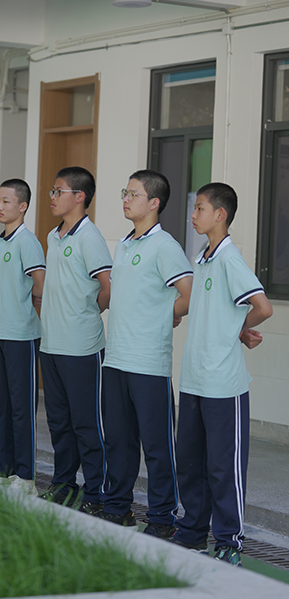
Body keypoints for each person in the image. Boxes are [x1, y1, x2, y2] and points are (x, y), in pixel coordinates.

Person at [174, 182, 273, 566]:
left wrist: (238, 327)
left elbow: (263, 306)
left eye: (199, 208)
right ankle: (192, 532)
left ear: (220, 214)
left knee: (222, 467)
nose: (193, 215)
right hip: (194, 379)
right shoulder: (202, 258)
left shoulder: (230, 258)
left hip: (222, 384)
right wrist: (237, 327)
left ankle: (229, 541)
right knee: (191, 462)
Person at [99, 169, 193, 536]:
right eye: (124, 192)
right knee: (118, 442)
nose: (125, 199)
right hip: (116, 359)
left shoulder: (165, 246)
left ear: (154, 202)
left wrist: (164, 314)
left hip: (149, 364)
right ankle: (117, 508)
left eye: (133, 194)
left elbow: (189, 294)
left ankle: (162, 519)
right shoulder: (124, 244)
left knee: (156, 447)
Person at [39, 166, 112, 514]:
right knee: (59, 422)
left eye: (59, 191)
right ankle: (64, 484)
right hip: (51, 344)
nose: (52, 197)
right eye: (52, 191)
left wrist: (86, 313)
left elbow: (108, 287)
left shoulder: (89, 237)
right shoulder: (53, 236)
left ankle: (96, 493)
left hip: (81, 347)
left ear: (79, 196)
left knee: (87, 423)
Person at [0, 178, 45, 495]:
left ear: (22, 206)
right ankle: (4, 471)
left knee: (22, 408)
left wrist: (30, 308)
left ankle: (26, 476)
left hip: (21, 335)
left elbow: (40, 282)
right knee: (1, 406)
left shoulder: (27, 242)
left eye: (5, 201)